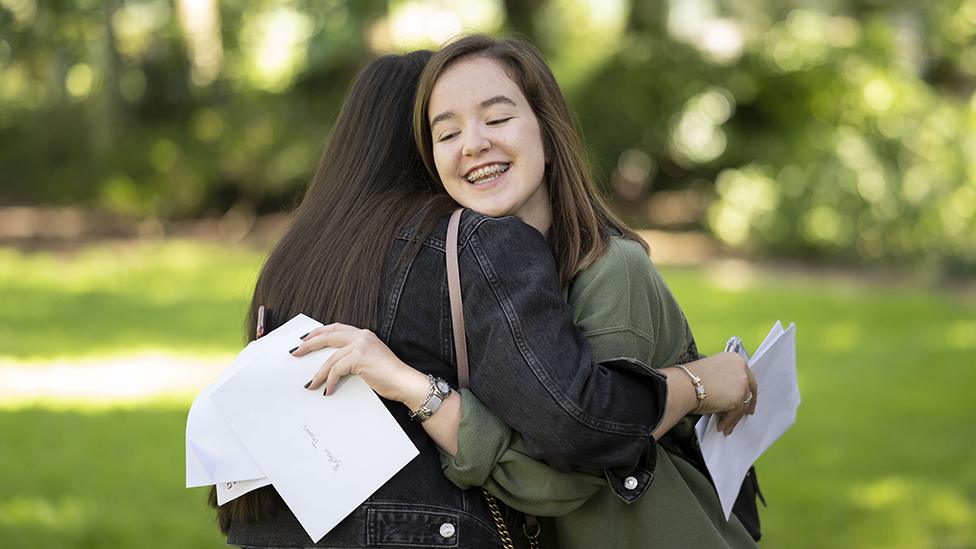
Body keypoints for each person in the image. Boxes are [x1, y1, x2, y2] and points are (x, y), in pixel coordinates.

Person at [212, 49, 752, 548]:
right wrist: (699, 386)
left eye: (496, 119)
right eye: (445, 131)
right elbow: (579, 433)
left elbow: (579, 442)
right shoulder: (475, 244)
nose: (472, 143)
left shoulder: (288, 260)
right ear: (421, 150)